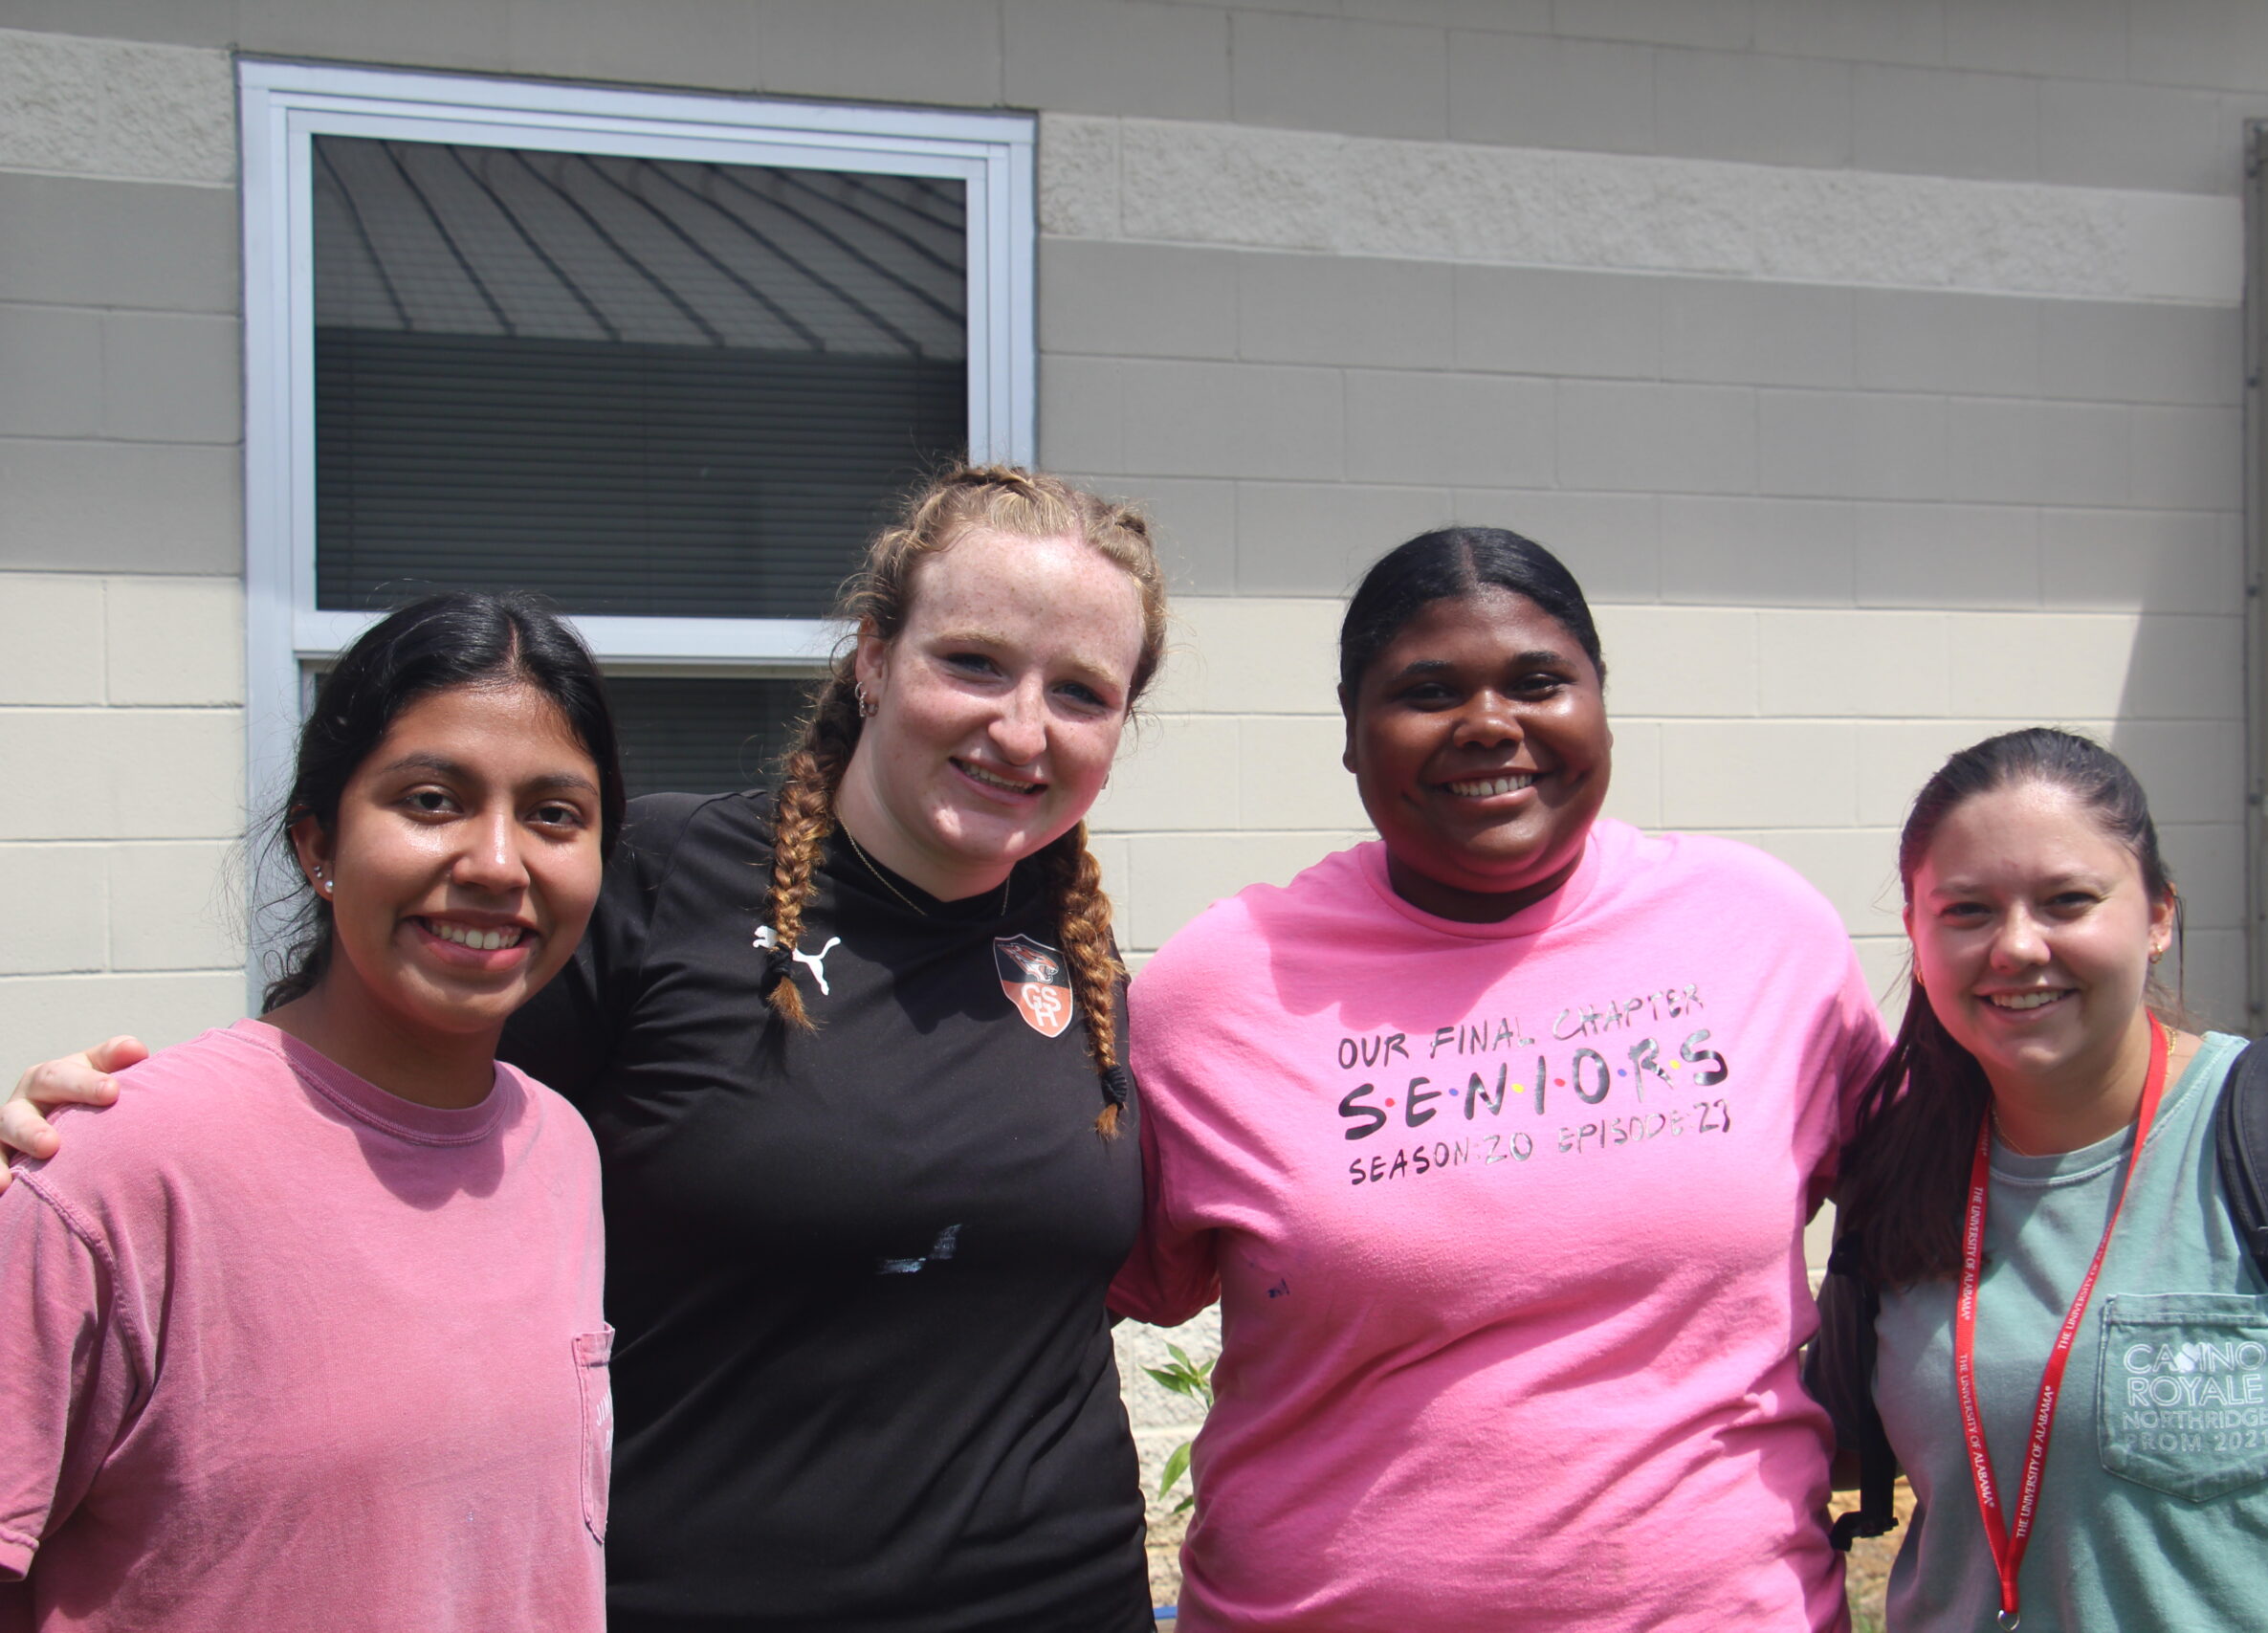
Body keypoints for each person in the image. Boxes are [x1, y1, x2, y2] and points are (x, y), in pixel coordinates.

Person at [2, 467, 1169, 1633]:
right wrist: (80, 1162)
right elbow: (366, 1100)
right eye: (971, 662)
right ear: (871, 658)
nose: (1022, 728)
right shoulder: (651, 883)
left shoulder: (1074, 948)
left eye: (1080, 692)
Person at [1108, 527, 1889, 1632]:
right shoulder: (1221, 987)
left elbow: (1928, 1208)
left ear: (1599, 703)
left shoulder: (1763, 930)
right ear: (1349, 734)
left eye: (1537, 682)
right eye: (1428, 691)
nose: (1488, 725)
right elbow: (1042, 1294)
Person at [0, 591, 621, 1631]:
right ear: (316, 845)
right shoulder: (116, 1170)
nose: (497, 863)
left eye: (555, 815)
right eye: (431, 800)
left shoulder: (559, 1147)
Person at [1823, 727, 2268, 1630]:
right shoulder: (1895, 1173)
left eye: (2067, 900)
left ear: (2159, 915)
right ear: (1915, 931)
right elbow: (1831, 1450)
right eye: (1967, 910)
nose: (2017, 947)